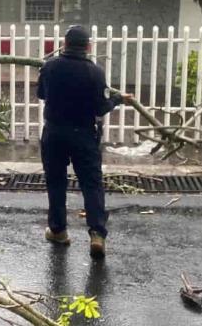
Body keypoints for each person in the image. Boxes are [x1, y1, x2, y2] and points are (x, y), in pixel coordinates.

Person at [37, 25, 132, 259]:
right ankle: (97, 233)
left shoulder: (50, 67)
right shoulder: (95, 72)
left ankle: (58, 231)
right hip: (84, 135)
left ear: (65, 44)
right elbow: (101, 107)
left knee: (56, 181)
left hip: (54, 133)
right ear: (88, 47)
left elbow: (41, 94)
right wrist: (117, 99)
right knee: (91, 183)